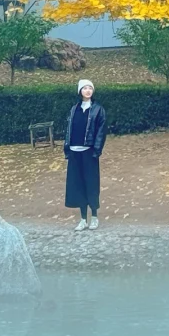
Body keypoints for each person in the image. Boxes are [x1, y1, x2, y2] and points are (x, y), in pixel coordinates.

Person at [64, 78, 107, 231]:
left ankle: (94, 216)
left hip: (89, 153)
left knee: (91, 184)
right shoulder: (74, 109)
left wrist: (96, 150)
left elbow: (101, 132)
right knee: (78, 185)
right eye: (84, 88)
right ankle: (83, 219)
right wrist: (67, 148)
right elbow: (68, 129)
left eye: (90, 88)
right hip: (75, 152)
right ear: (80, 91)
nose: (88, 90)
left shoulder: (98, 109)